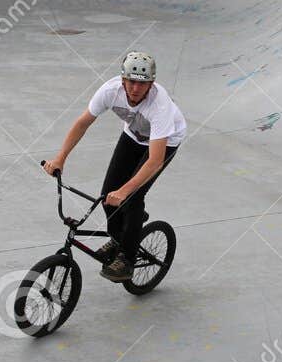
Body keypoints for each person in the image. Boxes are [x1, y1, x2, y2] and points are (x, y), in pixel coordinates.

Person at [44, 51, 186, 283]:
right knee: (108, 194)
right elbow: (82, 124)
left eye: (142, 83)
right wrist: (60, 159)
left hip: (165, 142)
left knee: (131, 196)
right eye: (131, 82)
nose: (136, 89)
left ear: (151, 83)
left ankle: (127, 259)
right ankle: (121, 235)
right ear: (122, 81)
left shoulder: (160, 106)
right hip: (133, 136)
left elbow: (154, 161)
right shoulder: (110, 91)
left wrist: (125, 191)